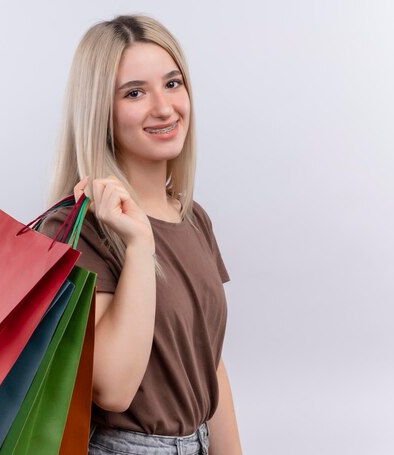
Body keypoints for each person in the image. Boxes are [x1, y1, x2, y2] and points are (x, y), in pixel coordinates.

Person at [38, 14, 242, 455]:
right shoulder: (76, 230)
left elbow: (207, 360)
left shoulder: (192, 218)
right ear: (101, 112)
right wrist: (139, 243)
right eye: (134, 93)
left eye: (172, 84)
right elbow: (112, 388)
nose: (164, 107)